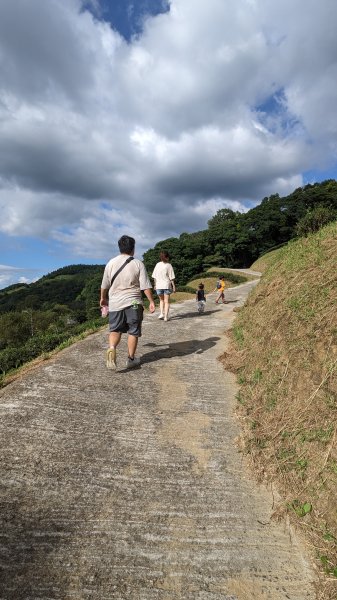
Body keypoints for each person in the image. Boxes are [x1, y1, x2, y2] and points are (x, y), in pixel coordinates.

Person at [100, 235, 155, 370]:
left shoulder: (111, 263)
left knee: (115, 330)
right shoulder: (138, 264)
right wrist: (151, 301)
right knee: (133, 330)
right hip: (134, 302)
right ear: (133, 248)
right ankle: (130, 359)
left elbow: (104, 285)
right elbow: (145, 286)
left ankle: (112, 348)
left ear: (120, 247)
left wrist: (103, 298)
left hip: (115, 303)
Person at [151, 251, 176, 321]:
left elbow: (154, 277)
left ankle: (161, 313)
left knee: (161, 300)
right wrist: (174, 286)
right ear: (167, 257)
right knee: (166, 301)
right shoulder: (169, 265)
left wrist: (155, 285)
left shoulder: (157, 264)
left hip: (158, 285)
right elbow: (171, 277)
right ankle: (165, 317)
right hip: (166, 285)